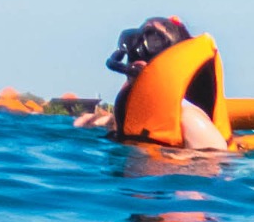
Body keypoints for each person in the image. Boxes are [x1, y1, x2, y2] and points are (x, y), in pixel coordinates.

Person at [94, 16, 226, 149]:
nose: (137, 53)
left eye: (153, 41)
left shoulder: (189, 119)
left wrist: (179, 159)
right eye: (135, 42)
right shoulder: (129, 109)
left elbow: (217, 161)